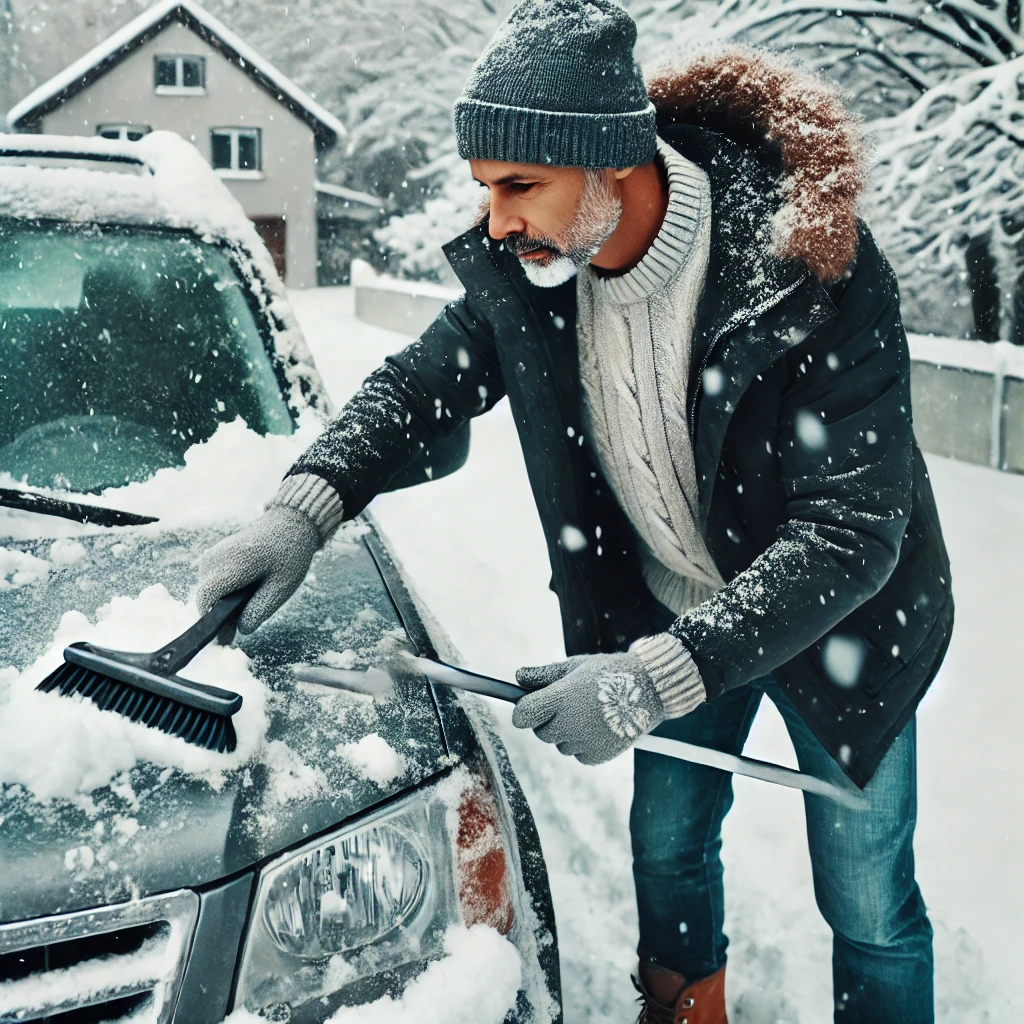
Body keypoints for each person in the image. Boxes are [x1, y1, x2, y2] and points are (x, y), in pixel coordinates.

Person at [197, 2, 954, 1020]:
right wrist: (303, 506)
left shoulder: (809, 269)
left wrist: (650, 680)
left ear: (609, 163)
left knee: (865, 897)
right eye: (486, 190)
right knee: (668, 843)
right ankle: (685, 1008)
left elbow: (852, 530)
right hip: (676, 607)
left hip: (842, 626)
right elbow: (415, 388)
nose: (496, 221)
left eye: (521, 186)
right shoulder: (537, 270)